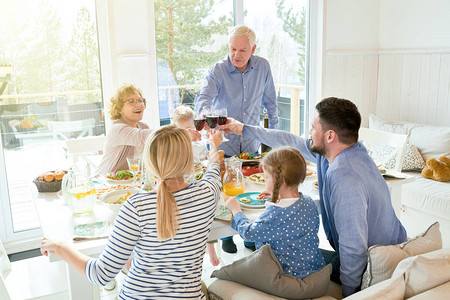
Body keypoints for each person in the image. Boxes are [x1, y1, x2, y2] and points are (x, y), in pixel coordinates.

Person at [221, 97, 407, 297]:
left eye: (313, 127)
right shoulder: (349, 151)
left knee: (273, 258)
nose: (309, 132)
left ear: (329, 136)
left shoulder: (346, 178)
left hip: (374, 267)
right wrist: (244, 129)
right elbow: (289, 140)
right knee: (286, 253)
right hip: (374, 252)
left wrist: (349, 294)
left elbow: (353, 249)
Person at [41, 125, 223, 299]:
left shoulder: (136, 206)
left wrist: (60, 246)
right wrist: (213, 145)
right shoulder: (207, 194)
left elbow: (100, 274)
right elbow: (214, 169)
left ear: (150, 163)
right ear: (190, 159)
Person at [195, 25, 279, 253]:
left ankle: (249, 230)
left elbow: (271, 103)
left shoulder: (263, 67)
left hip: (250, 140)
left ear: (253, 48)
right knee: (225, 189)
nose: (236, 55)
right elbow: (204, 98)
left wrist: (274, 139)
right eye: (232, 49)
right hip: (224, 142)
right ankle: (225, 236)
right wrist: (203, 115)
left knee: (252, 187)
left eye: (243, 50)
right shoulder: (219, 70)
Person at [225, 146, 327, 279]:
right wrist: (276, 194)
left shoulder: (276, 213)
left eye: (266, 178)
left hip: (289, 277)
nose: (265, 180)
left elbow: (249, 233)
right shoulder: (308, 202)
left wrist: (236, 210)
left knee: (227, 273)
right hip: (314, 270)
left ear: (281, 182)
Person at [96, 84, 199, 176]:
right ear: (119, 108)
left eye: (140, 100)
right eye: (131, 101)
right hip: (105, 183)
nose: (139, 104)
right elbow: (142, 137)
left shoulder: (143, 126)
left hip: (132, 183)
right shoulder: (117, 129)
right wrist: (180, 131)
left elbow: (157, 149)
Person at [172, 105, 220, 266]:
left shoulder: (198, 142)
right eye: (184, 129)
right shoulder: (173, 143)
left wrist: (209, 143)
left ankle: (211, 247)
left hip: (196, 181)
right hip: (181, 186)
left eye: (191, 127)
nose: (190, 131)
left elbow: (207, 160)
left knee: (208, 215)